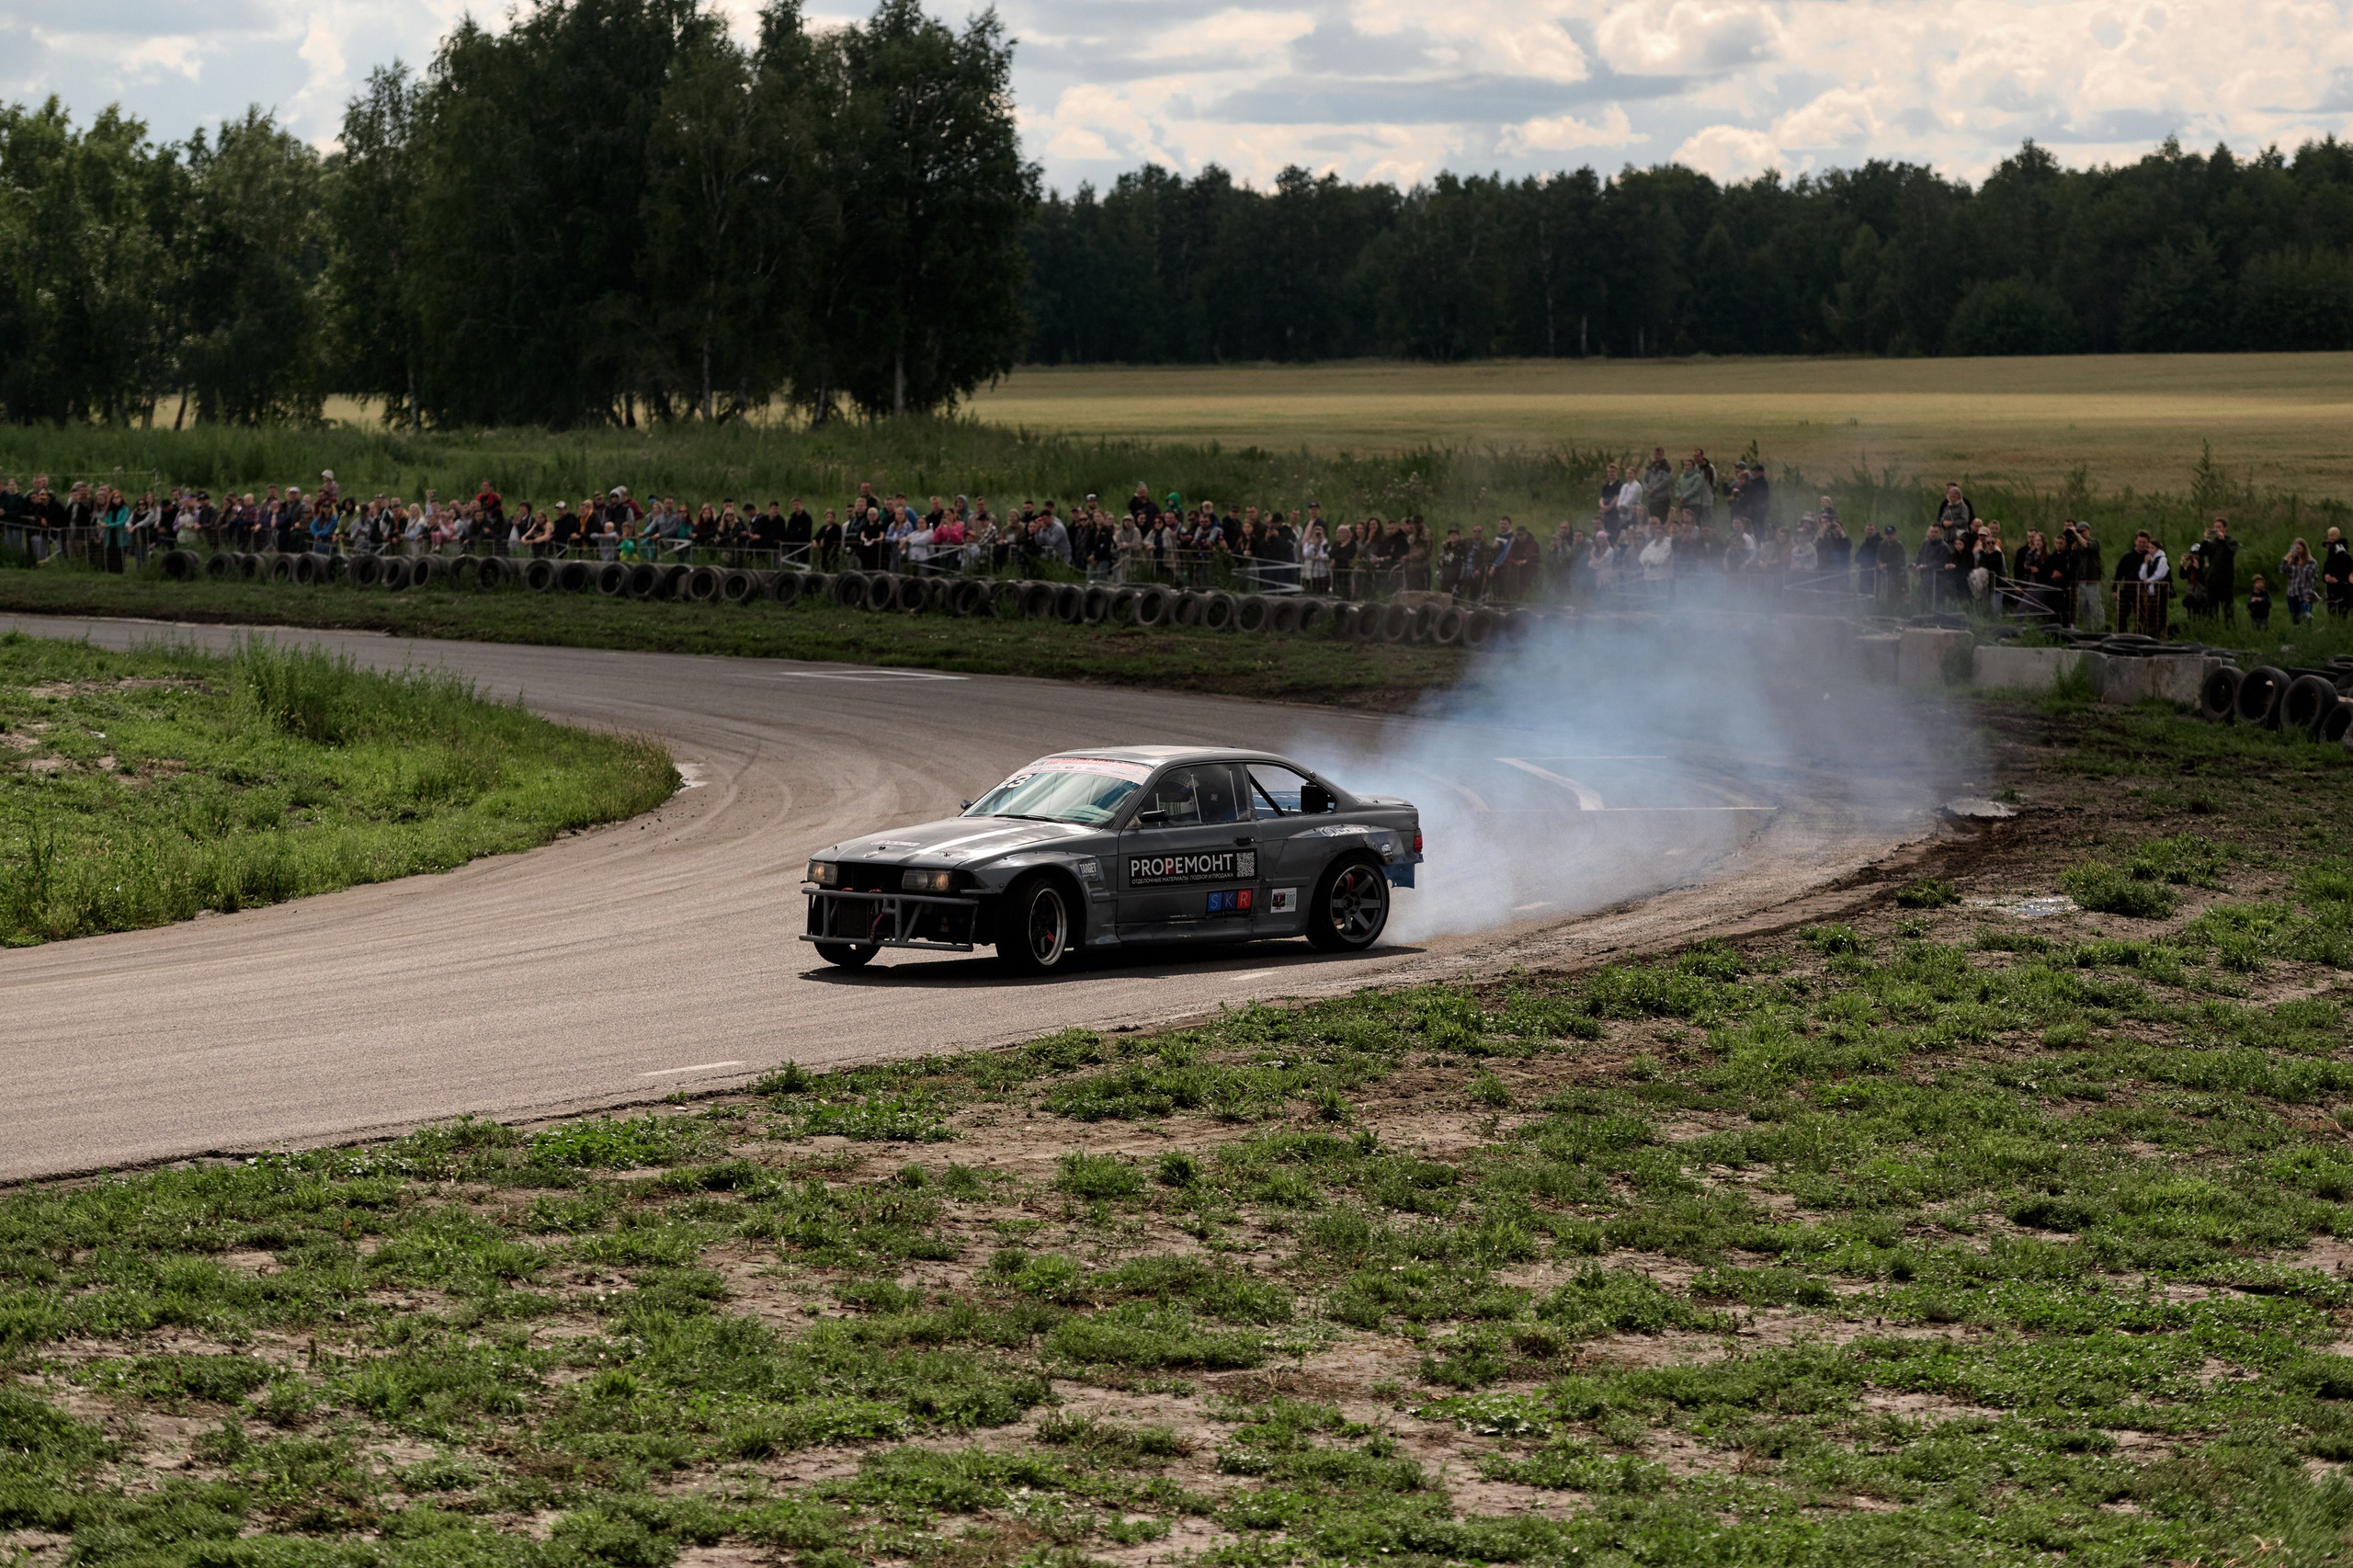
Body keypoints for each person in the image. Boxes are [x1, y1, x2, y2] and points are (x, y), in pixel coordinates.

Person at [2283, 539, 2319, 625]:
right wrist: (2287, 558)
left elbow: (2313, 580)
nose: (2297, 551)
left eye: (2298, 549)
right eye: (2295, 549)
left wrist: (2309, 596)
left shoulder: (2312, 562)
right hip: (2292, 593)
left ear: (2304, 549)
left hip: (2304, 594)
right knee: (2295, 618)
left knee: (2305, 617)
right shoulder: (2293, 561)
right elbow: (2283, 570)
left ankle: (2307, 635)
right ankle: (2298, 635)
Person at [2323, 527, 2353, 619]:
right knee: (2332, 610)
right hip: (2331, 586)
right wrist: (2326, 576)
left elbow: (2345, 564)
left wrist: (2338, 579)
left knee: (2340, 610)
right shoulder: (2331, 551)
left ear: (2338, 536)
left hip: (2340, 586)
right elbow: (2328, 566)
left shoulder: (2339, 548)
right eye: (2330, 536)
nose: (2331, 537)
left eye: (2333, 535)